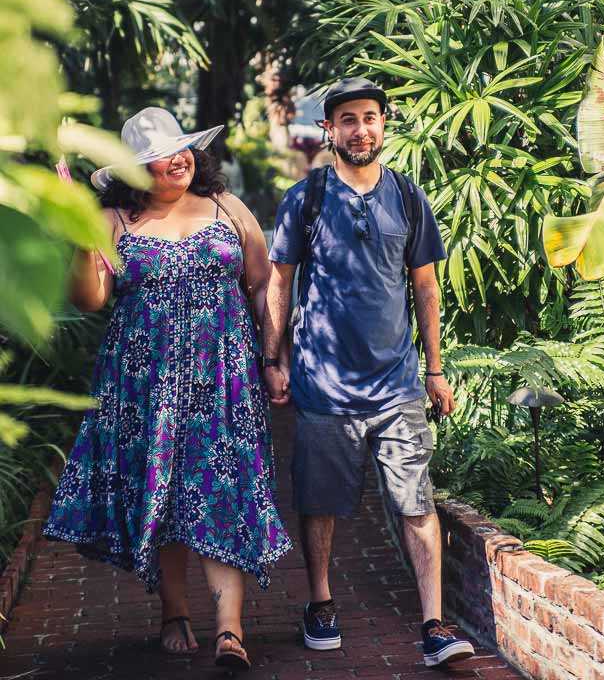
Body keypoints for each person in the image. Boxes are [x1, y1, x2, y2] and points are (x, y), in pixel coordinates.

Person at [44, 107, 291, 670]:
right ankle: (175, 612)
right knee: (165, 491)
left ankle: (230, 630)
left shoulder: (228, 208)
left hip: (225, 381)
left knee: (225, 489)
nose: (177, 160)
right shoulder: (113, 220)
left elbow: (262, 285)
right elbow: (89, 300)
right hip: (143, 383)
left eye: (181, 149)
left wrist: (273, 358)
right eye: (159, 158)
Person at [262, 78, 475, 668]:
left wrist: (435, 370)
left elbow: (425, 287)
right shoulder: (303, 199)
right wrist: (273, 359)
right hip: (322, 384)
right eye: (349, 119)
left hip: (397, 383)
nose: (361, 129)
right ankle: (322, 603)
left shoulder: (408, 197)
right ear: (329, 130)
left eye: (371, 118)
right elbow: (279, 282)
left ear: (385, 124)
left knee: (415, 501)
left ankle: (433, 623)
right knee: (320, 502)